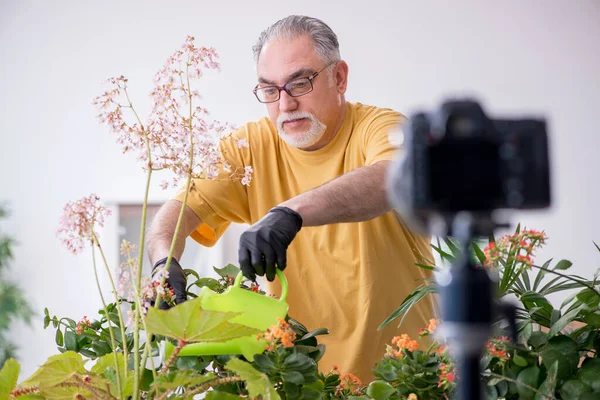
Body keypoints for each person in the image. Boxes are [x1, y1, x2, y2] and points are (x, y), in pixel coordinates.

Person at [147, 15, 436, 383]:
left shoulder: (381, 128)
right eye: (269, 90)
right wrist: (163, 263)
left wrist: (289, 213)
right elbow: (175, 215)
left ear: (339, 78)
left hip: (406, 380)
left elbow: (393, 178)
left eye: (300, 83)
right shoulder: (248, 147)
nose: (284, 104)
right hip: (302, 384)